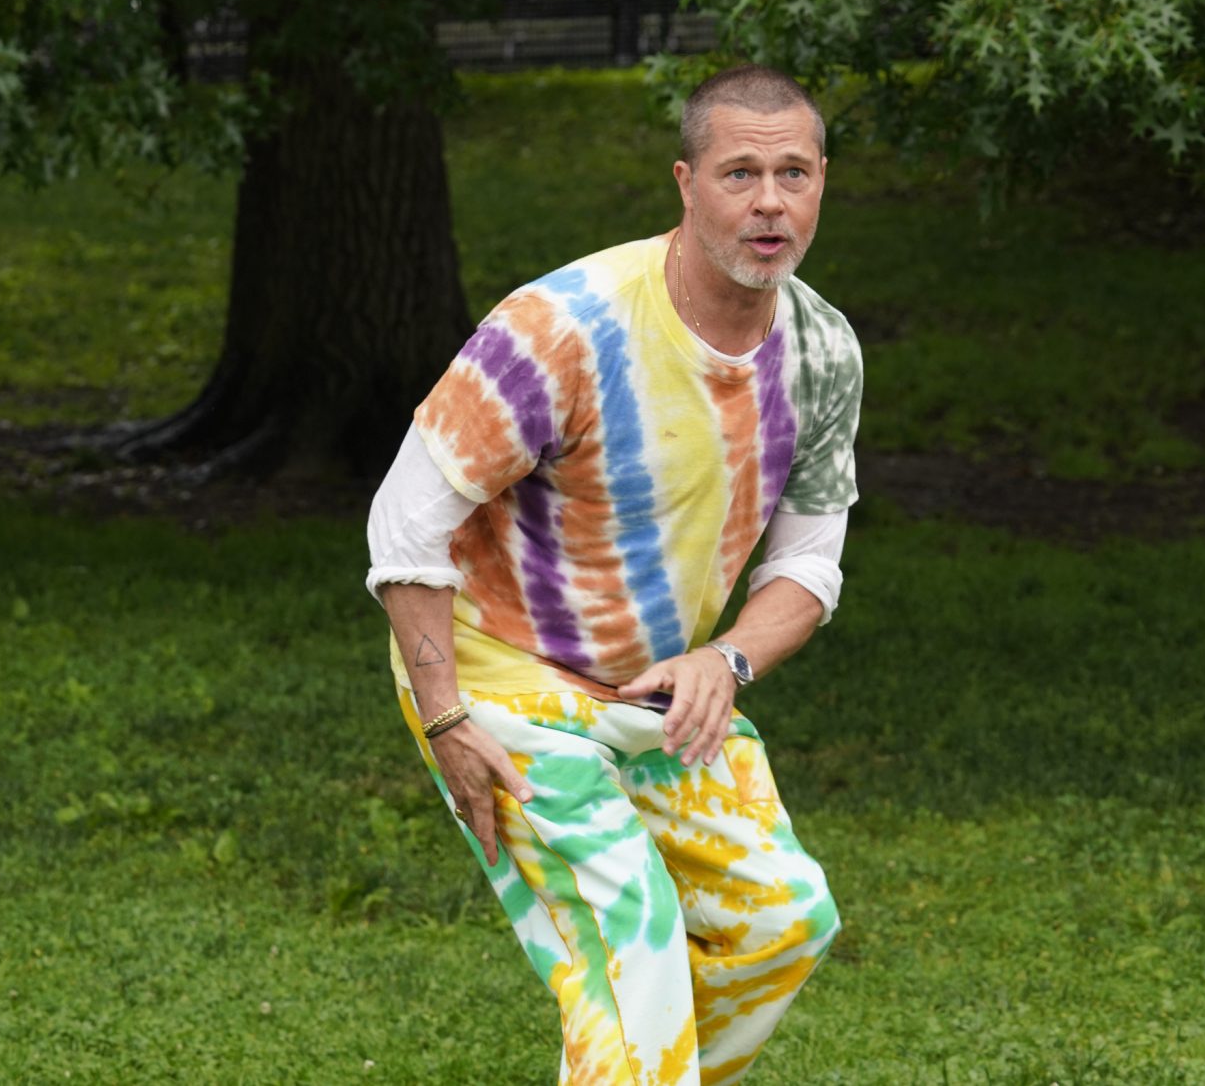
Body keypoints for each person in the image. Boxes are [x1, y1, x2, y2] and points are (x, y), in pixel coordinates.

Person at [365, 65, 858, 1085]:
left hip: (648, 691)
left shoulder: (822, 351)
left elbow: (809, 562)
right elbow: (404, 525)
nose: (770, 202)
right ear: (686, 183)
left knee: (782, 922)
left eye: (793, 174)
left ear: (821, 181)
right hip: (495, 676)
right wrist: (446, 716)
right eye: (740, 173)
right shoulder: (564, 327)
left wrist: (727, 658)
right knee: (635, 963)